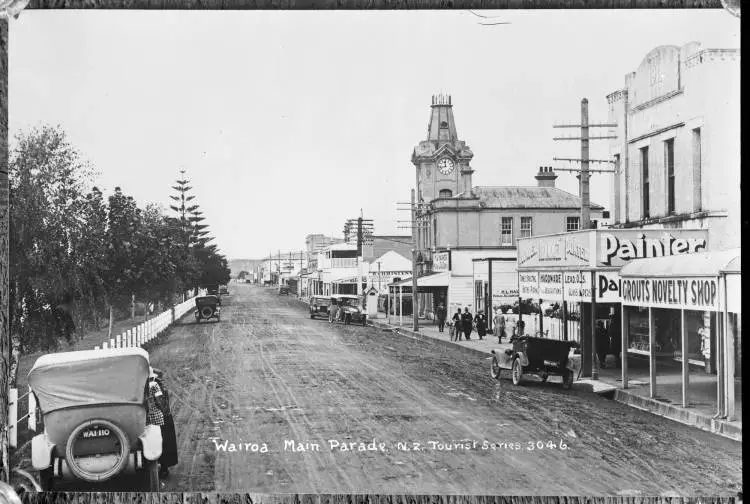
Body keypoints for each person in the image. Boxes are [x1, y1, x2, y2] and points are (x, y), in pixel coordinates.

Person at [147, 367, 178, 478]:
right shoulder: (155, 385)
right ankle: (164, 468)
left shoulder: (144, 386)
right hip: (161, 417)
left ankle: (160, 467)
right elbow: (161, 402)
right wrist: (166, 412)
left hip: (149, 418)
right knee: (165, 441)